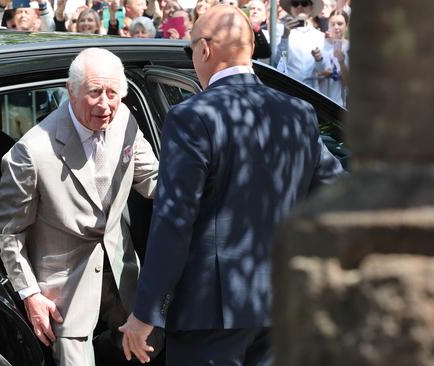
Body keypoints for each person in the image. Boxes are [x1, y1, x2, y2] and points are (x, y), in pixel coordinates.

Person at [119, 4, 344, 365]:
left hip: (209, 316)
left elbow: (174, 222)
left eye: (191, 48)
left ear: (204, 49)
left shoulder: (191, 117)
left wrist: (145, 313)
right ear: (252, 49)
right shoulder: (298, 113)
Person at [0, 47, 160, 366]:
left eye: (113, 93)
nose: (105, 104)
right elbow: (9, 232)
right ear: (71, 90)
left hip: (121, 270)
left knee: (152, 348)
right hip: (63, 285)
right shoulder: (31, 152)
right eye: (95, 92)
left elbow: (152, 180)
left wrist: (206, 186)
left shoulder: (124, 120)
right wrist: (30, 294)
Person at [272, 0, 325, 87]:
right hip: (287, 87)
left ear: (311, 8)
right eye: (295, 3)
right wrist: (285, 37)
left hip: (309, 91)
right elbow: (279, 63)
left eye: (304, 3)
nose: (300, 7)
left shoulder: (319, 36)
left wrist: (318, 59)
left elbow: (321, 71)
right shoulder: (279, 30)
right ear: (291, 8)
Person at [312, 9, 349, 106]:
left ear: (346, 26)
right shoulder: (319, 44)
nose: (336, 27)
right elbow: (309, 76)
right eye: (333, 24)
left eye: (340, 24)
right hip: (318, 102)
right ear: (328, 25)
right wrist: (322, 73)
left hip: (339, 104)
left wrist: (341, 63)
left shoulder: (350, 48)